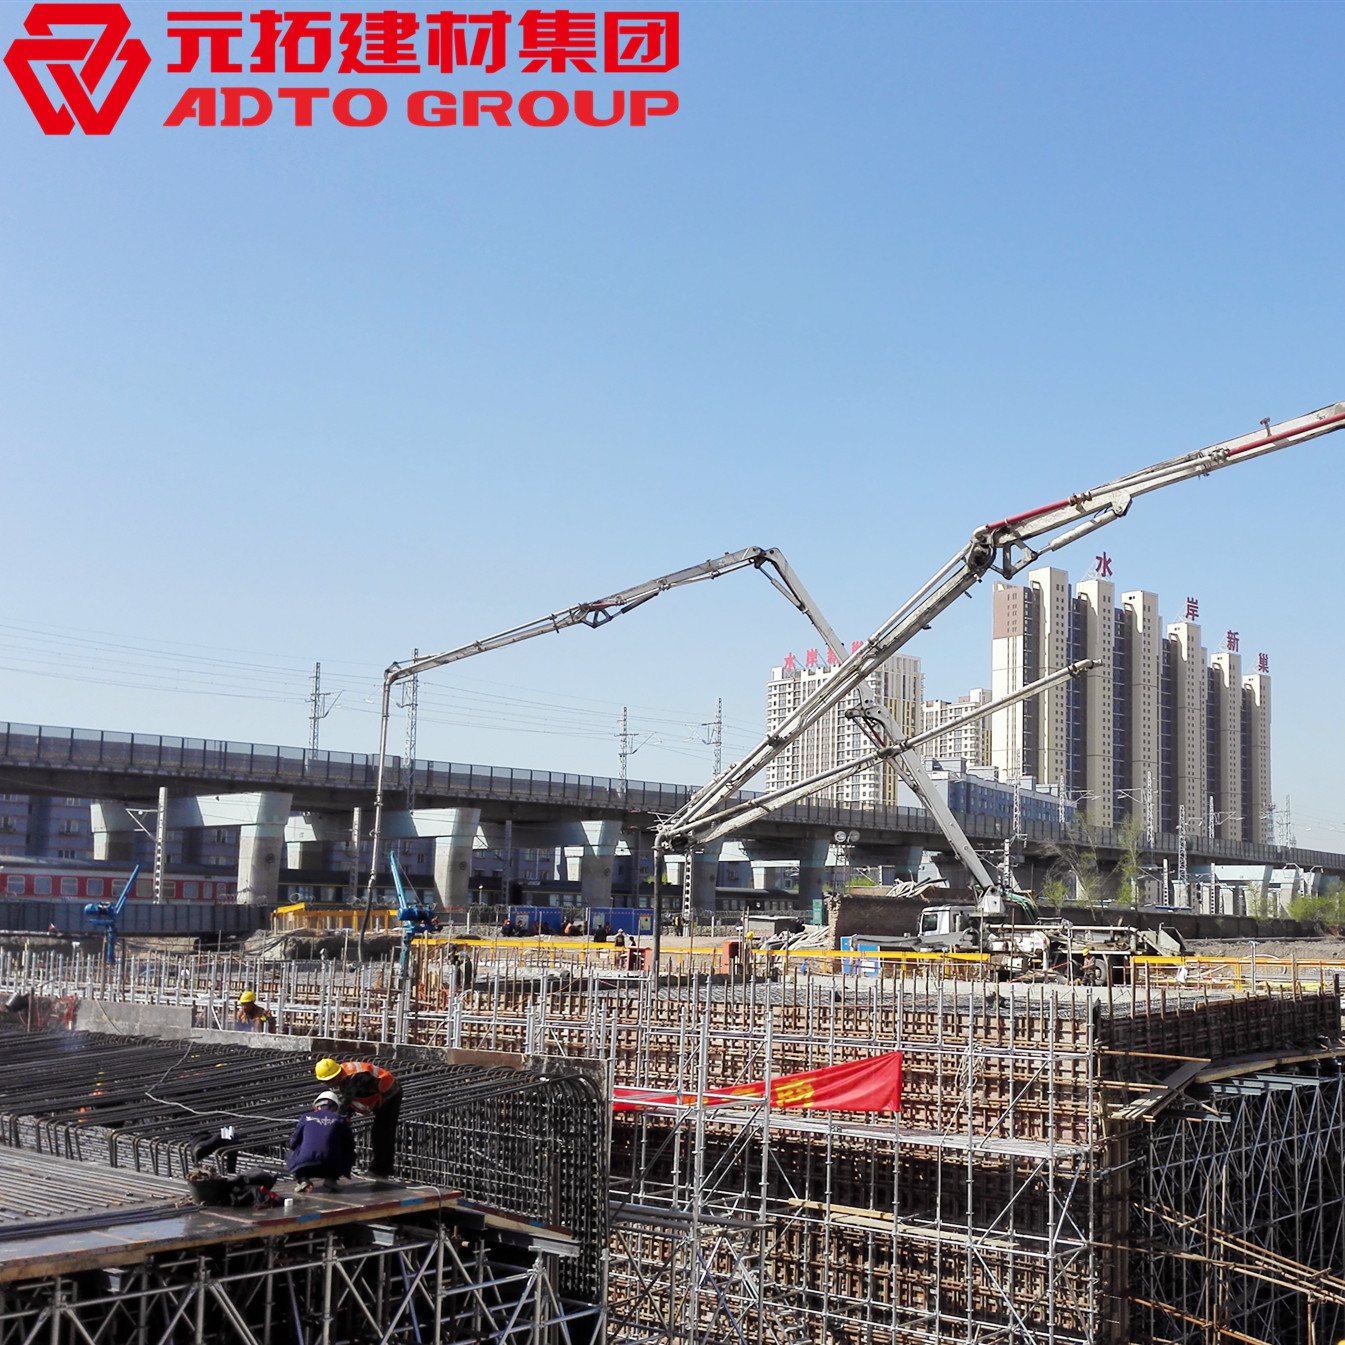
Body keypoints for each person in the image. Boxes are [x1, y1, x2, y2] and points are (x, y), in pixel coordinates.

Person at [315, 1057, 403, 1179]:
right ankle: (380, 1169)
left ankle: (381, 1170)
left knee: (382, 1132)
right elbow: (350, 1102)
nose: (330, 1084)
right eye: (326, 1082)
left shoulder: (355, 1077)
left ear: (337, 1074)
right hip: (378, 1094)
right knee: (379, 1132)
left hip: (391, 1093)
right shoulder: (344, 1077)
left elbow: (345, 1102)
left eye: (330, 1081)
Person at [288, 1090, 356, 1193]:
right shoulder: (341, 1119)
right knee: (350, 1152)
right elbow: (350, 1145)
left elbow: (293, 1143)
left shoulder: (305, 1117)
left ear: (316, 1107)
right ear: (335, 1108)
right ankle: (332, 1179)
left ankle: (302, 1179)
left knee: (289, 1153)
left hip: (305, 1166)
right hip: (331, 1166)